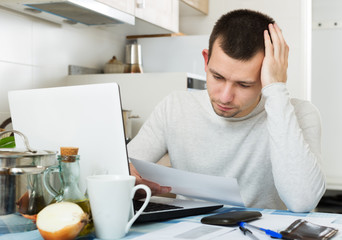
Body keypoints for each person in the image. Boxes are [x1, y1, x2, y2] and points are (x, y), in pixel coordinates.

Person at [128, 9, 326, 212]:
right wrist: (127, 178)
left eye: (244, 84)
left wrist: (276, 89)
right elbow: (119, 168)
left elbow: (302, 201)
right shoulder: (175, 107)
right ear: (206, 61)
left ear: (269, 74)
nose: (225, 97)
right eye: (217, 77)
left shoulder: (300, 114)